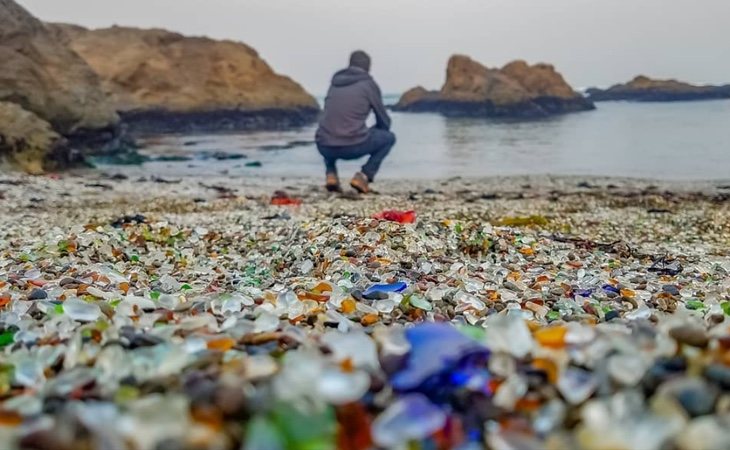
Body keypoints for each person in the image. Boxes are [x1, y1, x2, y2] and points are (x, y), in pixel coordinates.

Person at [315, 50, 396, 193]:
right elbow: (383, 119)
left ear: (350, 64)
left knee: (329, 131)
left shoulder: (334, 83)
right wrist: (379, 129)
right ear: (368, 67)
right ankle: (364, 176)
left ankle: (331, 174)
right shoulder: (368, 84)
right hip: (353, 146)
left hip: (324, 146)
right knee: (389, 138)